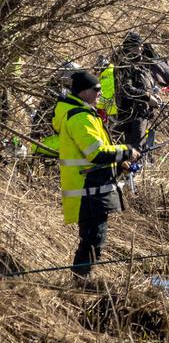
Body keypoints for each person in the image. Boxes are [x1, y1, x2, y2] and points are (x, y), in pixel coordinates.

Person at [56, 71, 139, 278]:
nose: (100, 93)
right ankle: (80, 282)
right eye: (97, 89)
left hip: (93, 188)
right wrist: (127, 151)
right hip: (87, 191)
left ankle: (81, 282)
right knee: (92, 240)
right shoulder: (81, 118)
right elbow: (95, 153)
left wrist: (120, 165)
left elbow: (95, 154)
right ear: (84, 92)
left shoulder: (87, 115)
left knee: (94, 240)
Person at [112, 32, 158, 148]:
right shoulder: (124, 65)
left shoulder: (137, 63)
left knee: (142, 147)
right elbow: (125, 89)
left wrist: (153, 96)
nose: (141, 48)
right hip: (132, 115)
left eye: (141, 45)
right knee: (135, 150)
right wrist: (147, 97)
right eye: (138, 45)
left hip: (141, 113)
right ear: (129, 47)